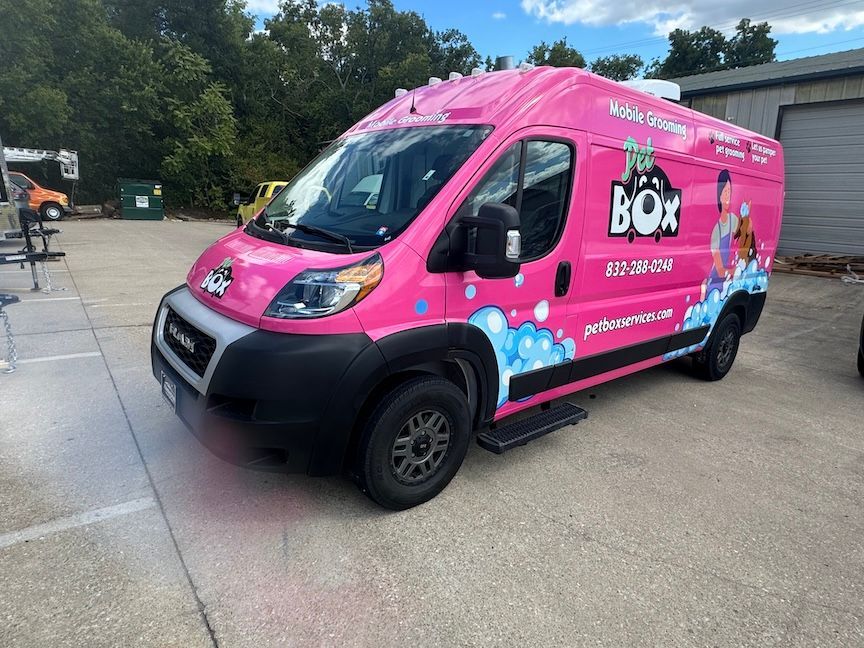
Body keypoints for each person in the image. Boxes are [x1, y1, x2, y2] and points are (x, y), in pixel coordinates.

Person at [707, 170, 739, 294]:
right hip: (715, 285)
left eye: (729, 192)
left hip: (726, 282)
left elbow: (743, 238)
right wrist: (734, 271)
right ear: (719, 196)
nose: (727, 196)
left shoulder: (733, 220)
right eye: (725, 192)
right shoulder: (716, 230)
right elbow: (720, 270)